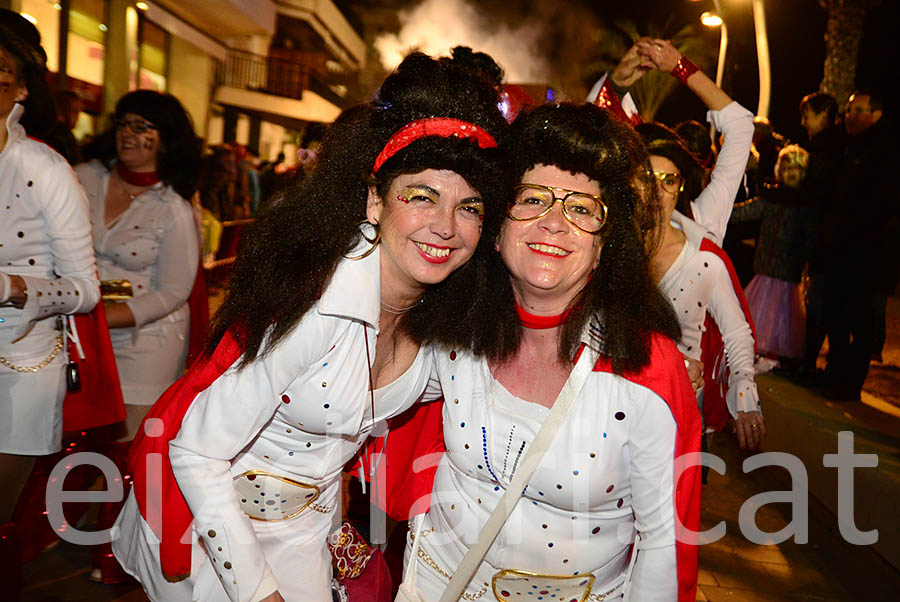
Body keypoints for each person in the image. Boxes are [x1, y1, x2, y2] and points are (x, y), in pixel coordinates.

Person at [113, 51, 509, 602]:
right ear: (375, 199)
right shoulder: (315, 307)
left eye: (470, 207)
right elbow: (197, 452)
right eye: (422, 196)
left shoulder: (452, 319)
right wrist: (257, 593)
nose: (445, 226)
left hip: (307, 532)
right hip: (211, 522)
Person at [404, 103, 701, 601]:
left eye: (582, 208)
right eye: (533, 200)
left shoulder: (651, 370)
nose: (554, 223)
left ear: (606, 244)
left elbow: (665, 547)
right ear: (497, 229)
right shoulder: (448, 331)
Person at [0, 12, 99, 596]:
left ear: (20, 87)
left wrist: (16, 288)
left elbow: (84, 288)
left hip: (21, 369)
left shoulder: (46, 169)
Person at [75, 90, 202, 438]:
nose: (127, 133)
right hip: (77, 331)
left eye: (141, 126)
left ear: (165, 139)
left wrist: (101, 318)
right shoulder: (82, 177)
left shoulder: (174, 206)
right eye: (122, 123)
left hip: (146, 342)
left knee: (128, 450)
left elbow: (175, 290)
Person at [819, 89, 897, 399]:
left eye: (857, 110)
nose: (849, 116)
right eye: (848, 111)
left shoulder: (885, 151)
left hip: (868, 253)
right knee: (837, 315)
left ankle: (849, 383)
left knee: (861, 321)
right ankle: (836, 374)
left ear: (875, 114)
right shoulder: (848, 145)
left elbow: (880, 205)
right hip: (844, 248)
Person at [730, 145, 817, 366]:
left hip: (772, 265)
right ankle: (771, 354)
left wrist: (721, 208)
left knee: (764, 311)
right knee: (779, 314)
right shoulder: (804, 205)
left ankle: (764, 353)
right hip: (786, 268)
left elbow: (743, 212)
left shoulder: (775, 199)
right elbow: (809, 239)